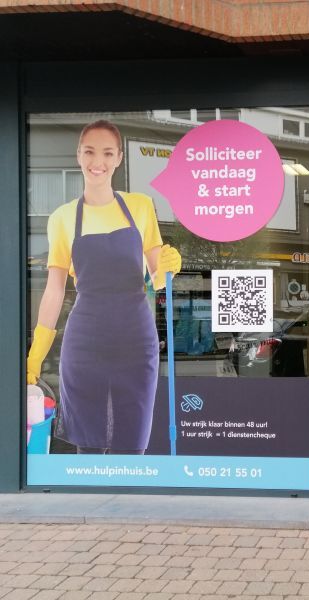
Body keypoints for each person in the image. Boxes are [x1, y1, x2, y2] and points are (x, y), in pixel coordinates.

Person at [26, 120, 182, 455]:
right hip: (86, 339)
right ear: (78, 156)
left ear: (119, 158)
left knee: (132, 440)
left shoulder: (140, 207)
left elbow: (155, 277)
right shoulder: (63, 218)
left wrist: (169, 267)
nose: (98, 161)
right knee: (89, 442)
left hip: (135, 337)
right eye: (90, 152)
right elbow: (55, 289)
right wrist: (37, 351)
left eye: (107, 153)